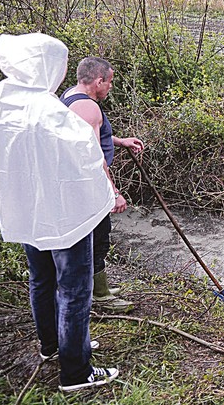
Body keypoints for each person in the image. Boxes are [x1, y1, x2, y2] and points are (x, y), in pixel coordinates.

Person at [0, 33, 119, 391]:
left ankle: (54, 346)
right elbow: (86, 159)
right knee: (74, 289)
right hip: (65, 215)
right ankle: (76, 371)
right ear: (45, 66)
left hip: (25, 209)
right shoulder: (49, 110)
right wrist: (105, 196)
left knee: (41, 280)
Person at [60, 57, 143, 313]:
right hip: (88, 184)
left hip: (75, 182)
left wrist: (119, 141)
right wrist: (114, 192)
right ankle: (100, 294)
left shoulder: (70, 96)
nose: (110, 87)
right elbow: (94, 157)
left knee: (94, 236)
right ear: (98, 81)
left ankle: (97, 287)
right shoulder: (90, 108)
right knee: (98, 237)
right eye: (109, 82)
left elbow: (91, 134)